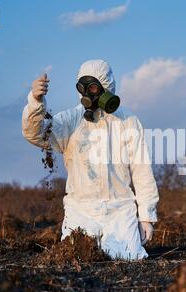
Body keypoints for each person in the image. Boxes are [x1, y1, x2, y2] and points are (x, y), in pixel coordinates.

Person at [22, 60, 159, 260]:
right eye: (83, 88)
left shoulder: (127, 121)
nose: (88, 94)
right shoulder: (70, 120)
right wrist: (35, 101)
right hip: (80, 209)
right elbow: (36, 134)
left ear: (106, 87)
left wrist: (146, 216)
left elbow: (142, 170)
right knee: (74, 257)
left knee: (129, 258)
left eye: (93, 87)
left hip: (119, 209)